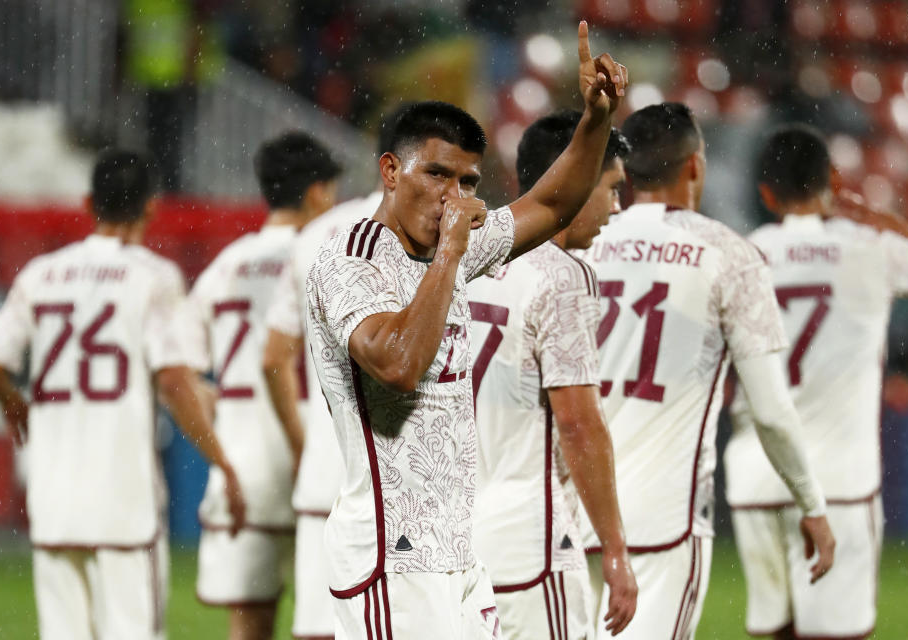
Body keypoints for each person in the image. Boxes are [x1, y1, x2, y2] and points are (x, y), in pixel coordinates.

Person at [304, 22, 626, 639]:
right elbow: (397, 364)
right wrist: (453, 253)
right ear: (391, 171)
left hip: (458, 551)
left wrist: (595, 120)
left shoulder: (449, 247)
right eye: (438, 175)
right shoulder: (348, 259)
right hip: (389, 559)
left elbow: (553, 205)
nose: (454, 198)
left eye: (469, 183)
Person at [578, 103, 835, 640]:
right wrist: (811, 502)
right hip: (658, 521)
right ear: (695, 166)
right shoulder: (729, 255)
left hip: (564, 518)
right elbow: (769, 408)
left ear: (627, 169)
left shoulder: (584, 244)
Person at [0, 149, 245, 640]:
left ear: (88, 203)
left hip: (53, 497)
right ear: (151, 206)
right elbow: (171, 380)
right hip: (123, 498)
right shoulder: (153, 276)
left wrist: (14, 402)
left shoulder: (41, 274)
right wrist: (220, 460)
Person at [724, 124, 908, 640]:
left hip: (758, 475)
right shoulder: (871, 248)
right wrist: (889, 223)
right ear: (832, 179)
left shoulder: (742, 254)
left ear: (766, 193)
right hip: (840, 482)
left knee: (777, 631)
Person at [467, 111, 637, 639]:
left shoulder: (462, 256)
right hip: (531, 536)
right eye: (608, 186)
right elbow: (578, 424)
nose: (616, 205)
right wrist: (613, 549)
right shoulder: (563, 275)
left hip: (457, 537)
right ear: (571, 179)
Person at [187, 132, 341, 640]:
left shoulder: (224, 266)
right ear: (318, 192)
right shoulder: (322, 255)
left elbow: (182, 373)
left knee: (249, 626)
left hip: (244, 466)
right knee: (326, 622)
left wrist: (226, 416)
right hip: (316, 458)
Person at [263, 105, 408, 640]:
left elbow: (273, 356)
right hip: (407, 487)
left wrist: (305, 444)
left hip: (328, 477)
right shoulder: (443, 243)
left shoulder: (317, 237)